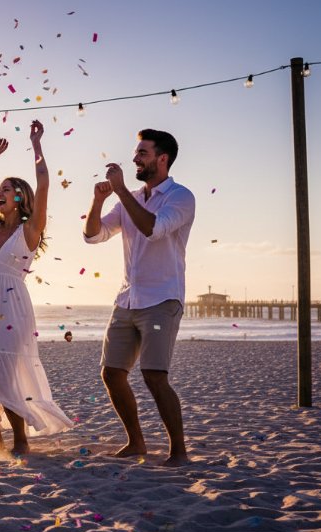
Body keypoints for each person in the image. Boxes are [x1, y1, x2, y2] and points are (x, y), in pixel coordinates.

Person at [0, 120, 73, 455]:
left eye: (6, 189)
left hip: (12, 306)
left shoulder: (31, 229)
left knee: (4, 374)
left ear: (20, 197)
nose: (0, 193)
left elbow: (44, 183)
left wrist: (36, 144)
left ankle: (20, 441)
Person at [84, 128, 195, 467]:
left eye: (142, 153)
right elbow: (93, 235)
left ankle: (179, 452)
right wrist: (99, 200)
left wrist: (119, 190)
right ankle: (136, 442)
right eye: (136, 153)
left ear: (163, 159)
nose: (135, 158)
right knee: (111, 373)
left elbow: (153, 228)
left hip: (162, 299)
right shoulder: (128, 198)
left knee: (154, 376)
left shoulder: (180, 197)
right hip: (127, 299)